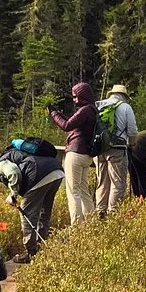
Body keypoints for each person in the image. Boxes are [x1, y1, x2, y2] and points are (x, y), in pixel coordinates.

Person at [0, 138, 63, 259]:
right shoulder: (17, 153)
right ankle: (41, 246)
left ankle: (31, 252)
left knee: (27, 213)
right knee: (44, 211)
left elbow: (13, 173)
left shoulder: (0, 164)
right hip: (56, 170)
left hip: (38, 173)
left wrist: (13, 194)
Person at [49, 81, 97, 224]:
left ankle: (76, 226)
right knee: (83, 190)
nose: (75, 100)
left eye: (76, 97)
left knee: (73, 191)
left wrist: (53, 114)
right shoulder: (93, 110)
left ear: (83, 96)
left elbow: (66, 125)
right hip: (86, 155)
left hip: (75, 154)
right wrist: (59, 114)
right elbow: (71, 123)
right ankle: (91, 222)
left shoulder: (84, 110)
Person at [94, 83, 138, 217]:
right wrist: (131, 144)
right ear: (124, 96)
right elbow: (132, 130)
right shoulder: (126, 107)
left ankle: (100, 213)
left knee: (102, 183)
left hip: (99, 149)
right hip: (117, 149)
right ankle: (112, 214)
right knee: (118, 184)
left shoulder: (99, 105)